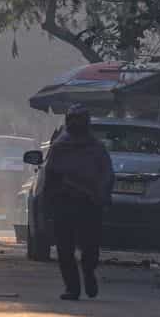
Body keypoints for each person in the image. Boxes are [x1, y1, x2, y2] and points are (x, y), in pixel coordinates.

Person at [42, 105, 114, 301]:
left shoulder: (96, 148)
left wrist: (101, 195)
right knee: (65, 250)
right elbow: (50, 177)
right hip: (64, 203)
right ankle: (72, 288)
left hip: (89, 204)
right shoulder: (59, 147)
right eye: (72, 119)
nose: (75, 123)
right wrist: (48, 202)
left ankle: (89, 273)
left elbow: (107, 174)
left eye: (79, 119)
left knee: (90, 248)